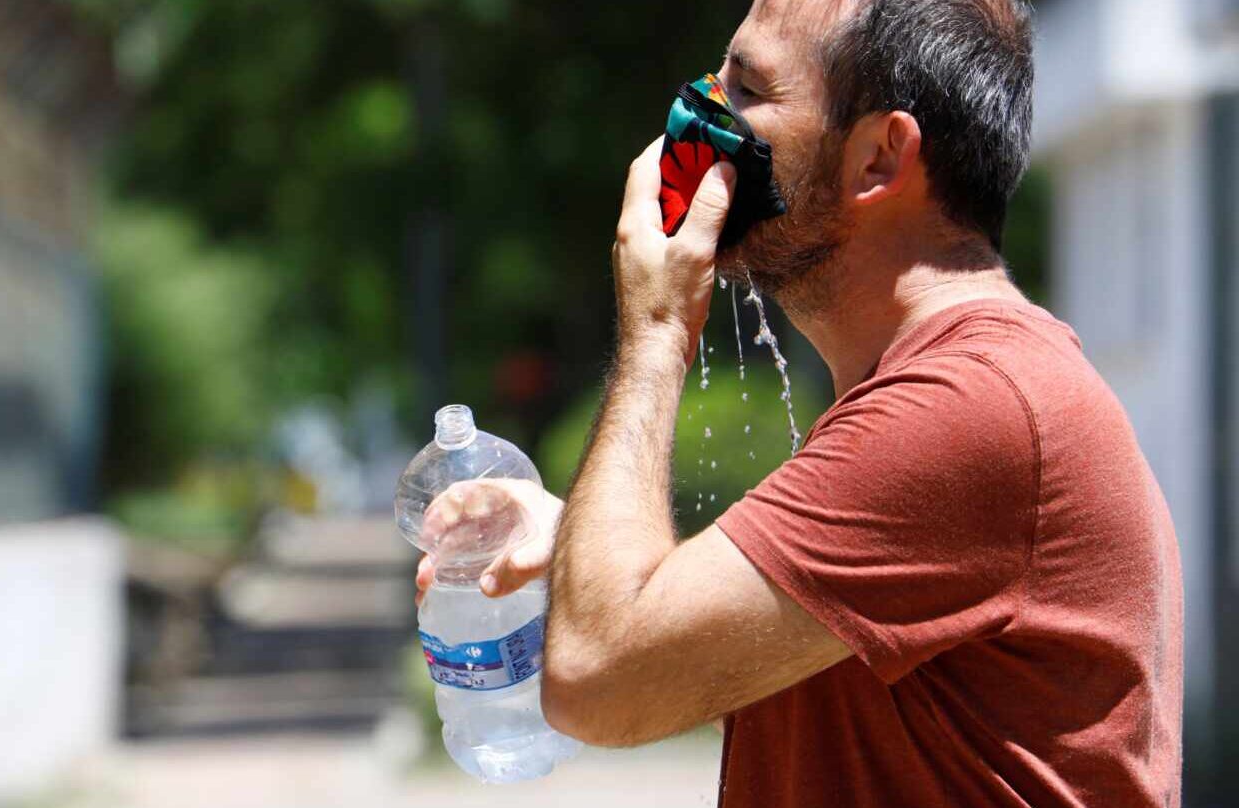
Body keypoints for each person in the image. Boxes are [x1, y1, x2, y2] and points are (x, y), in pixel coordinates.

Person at [416, 0, 1183, 805]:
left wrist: (657, 327)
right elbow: (741, 688)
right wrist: (574, 548)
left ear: (880, 158)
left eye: (747, 88)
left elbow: (601, 682)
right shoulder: (928, 397)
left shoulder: (974, 408)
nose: (698, 112)